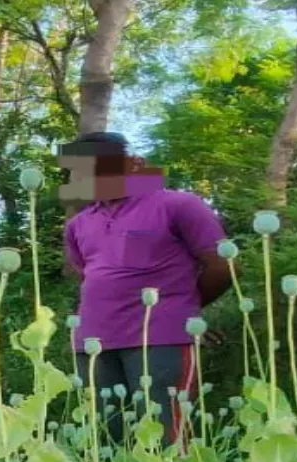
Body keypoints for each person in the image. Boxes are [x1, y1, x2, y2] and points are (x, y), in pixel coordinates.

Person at [60, 132, 232, 445]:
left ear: (134, 164)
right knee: (103, 441)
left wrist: (184, 312)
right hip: (93, 342)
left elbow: (222, 267)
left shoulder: (179, 205)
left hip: (160, 337)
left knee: (163, 437)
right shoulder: (79, 223)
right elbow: (89, 278)